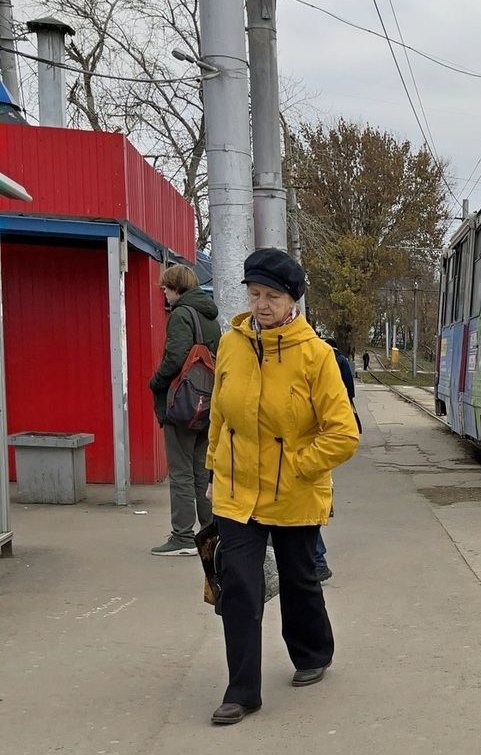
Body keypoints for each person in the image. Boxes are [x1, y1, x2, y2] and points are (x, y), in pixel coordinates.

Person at [206, 248, 359, 725]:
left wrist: (298, 466)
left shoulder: (315, 355)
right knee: (239, 589)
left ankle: (313, 653)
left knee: (299, 581)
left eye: (272, 295)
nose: (261, 304)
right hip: (236, 491)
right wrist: (213, 471)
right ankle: (242, 691)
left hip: (293, 491)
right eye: (254, 294)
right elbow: (218, 415)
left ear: (293, 300)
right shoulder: (230, 344)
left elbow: (344, 432)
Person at [148, 264, 221, 556]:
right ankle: (210, 532)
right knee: (202, 471)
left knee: (180, 472)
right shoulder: (210, 315)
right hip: (208, 403)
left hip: (182, 404)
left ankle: (181, 536)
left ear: (176, 287)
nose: (164, 293)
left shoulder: (181, 314)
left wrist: (155, 382)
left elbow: (175, 356)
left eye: (166, 288)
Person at [314, 337, 362, 583]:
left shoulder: (320, 356)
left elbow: (345, 436)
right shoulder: (337, 357)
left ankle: (319, 562)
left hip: (300, 471)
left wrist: (301, 465)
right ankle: (318, 562)